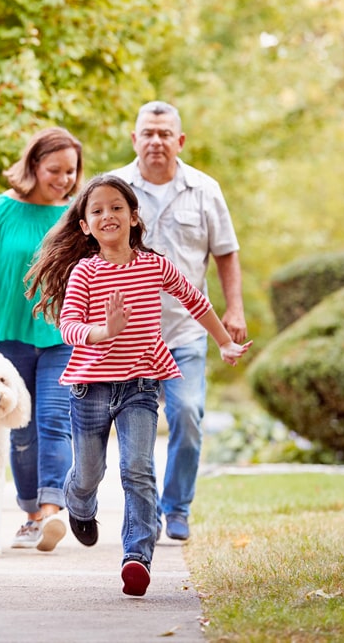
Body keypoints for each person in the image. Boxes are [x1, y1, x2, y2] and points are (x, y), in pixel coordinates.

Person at [24, 174, 251, 596]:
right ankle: (80, 506)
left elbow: (195, 299)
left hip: (140, 386)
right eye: (97, 211)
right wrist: (102, 331)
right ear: (86, 226)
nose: (107, 215)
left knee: (138, 469)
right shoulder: (84, 272)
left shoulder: (154, 265)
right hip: (90, 386)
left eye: (116, 207)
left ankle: (136, 557)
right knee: (89, 472)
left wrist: (223, 342)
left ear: (133, 216)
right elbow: (69, 325)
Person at [109, 101, 247, 542]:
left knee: (188, 414)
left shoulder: (205, 190)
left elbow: (225, 251)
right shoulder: (114, 190)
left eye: (164, 133)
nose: (155, 141)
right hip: (129, 336)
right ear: (134, 139)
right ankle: (143, 516)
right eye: (147, 132)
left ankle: (178, 507)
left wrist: (234, 309)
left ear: (179, 141)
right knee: (133, 432)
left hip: (187, 330)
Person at [0, 127, 83, 552]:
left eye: (71, 171)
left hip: (60, 336)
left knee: (54, 419)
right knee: (21, 429)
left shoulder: (74, 217)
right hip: (8, 337)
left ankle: (51, 511)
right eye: (55, 169)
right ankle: (30, 512)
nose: (65, 179)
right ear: (33, 165)